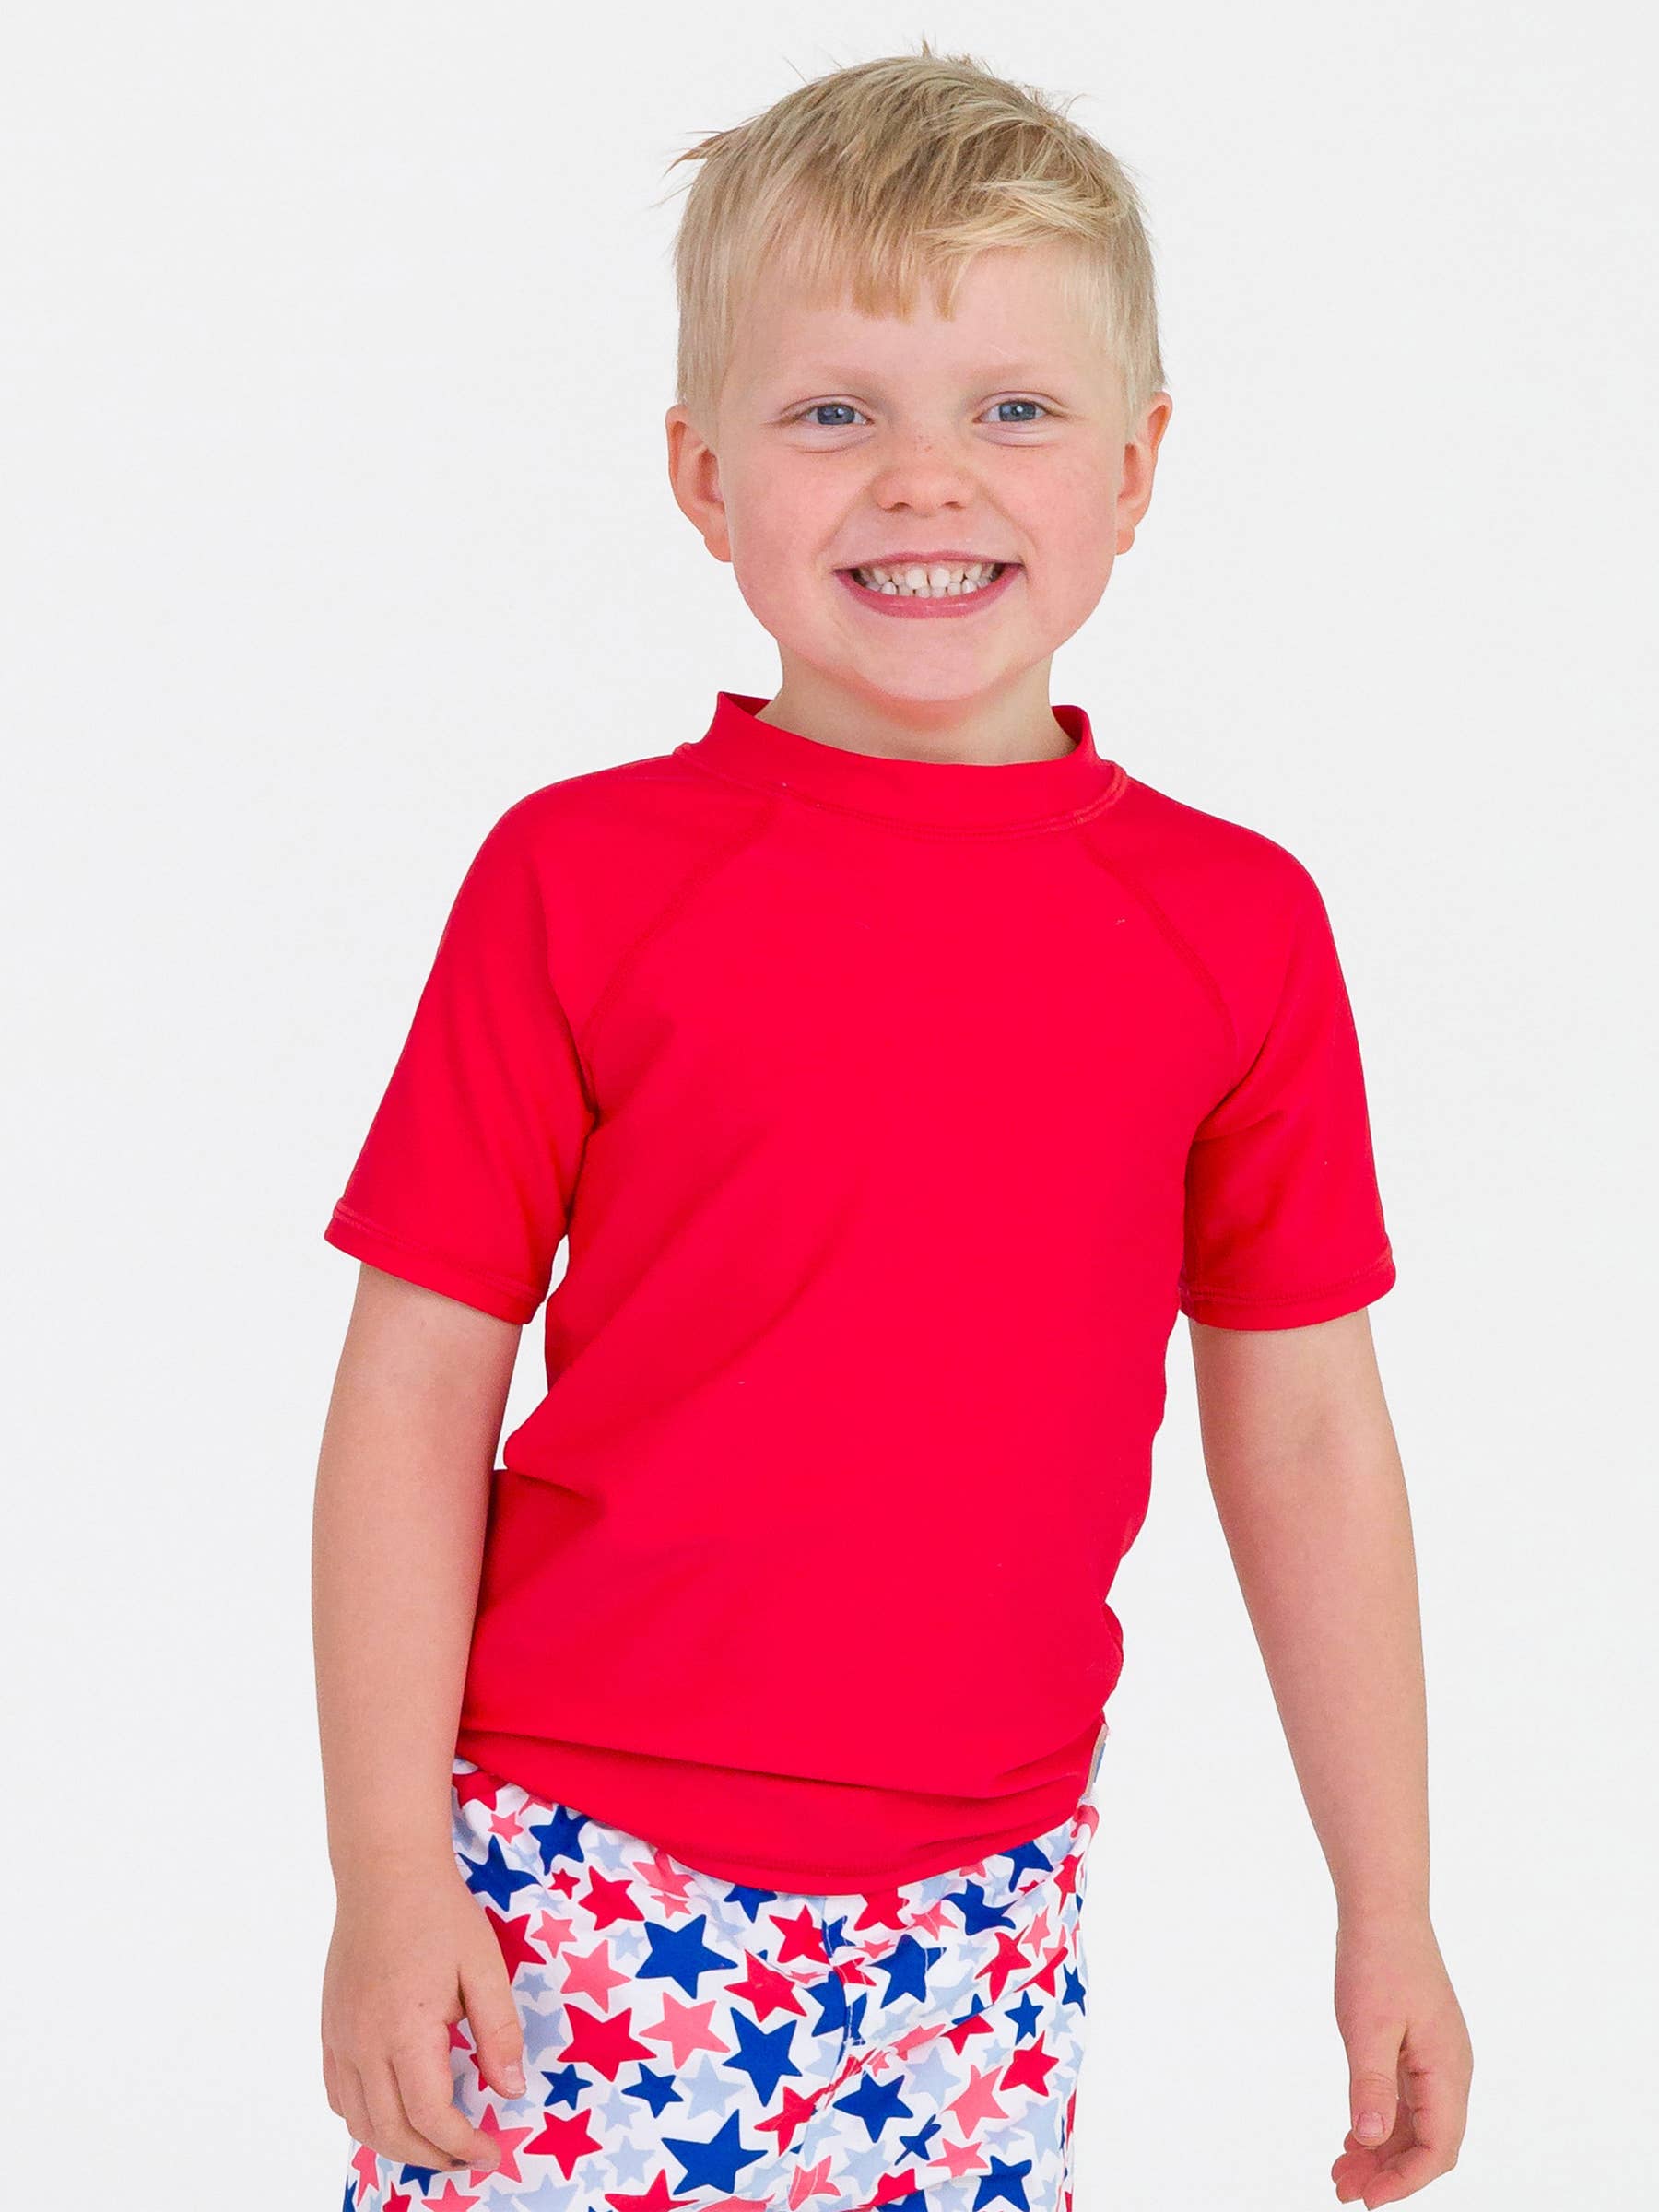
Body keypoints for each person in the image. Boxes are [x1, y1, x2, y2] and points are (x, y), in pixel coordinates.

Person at [314, 41, 1471, 2212]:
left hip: (985, 1908)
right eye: (833, 413)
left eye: (1013, 410)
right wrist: (391, 1869)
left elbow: (1311, 1431)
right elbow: (412, 1389)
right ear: (700, 472)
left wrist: (1387, 1904)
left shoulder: (1233, 928)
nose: (926, 483)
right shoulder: (580, 881)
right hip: (572, 1870)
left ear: (1137, 466)